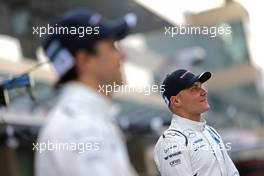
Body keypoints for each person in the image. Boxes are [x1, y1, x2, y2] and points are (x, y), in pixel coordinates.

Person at [35, 9, 138, 176]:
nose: (123, 55)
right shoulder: (79, 126)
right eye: (112, 46)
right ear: (84, 60)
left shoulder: (89, 118)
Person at [154, 69, 239, 176]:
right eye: (194, 89)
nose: (204, 92)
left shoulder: (211, 131)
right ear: (176, 101)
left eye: (201, 86)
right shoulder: (170, 142)